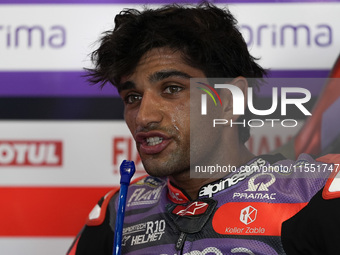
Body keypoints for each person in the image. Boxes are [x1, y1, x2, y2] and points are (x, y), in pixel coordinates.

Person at [67, 3, 340, 255]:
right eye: (132, 97)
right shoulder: (119, 211)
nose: (144, 117)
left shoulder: (312, 194)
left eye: (172, 89)